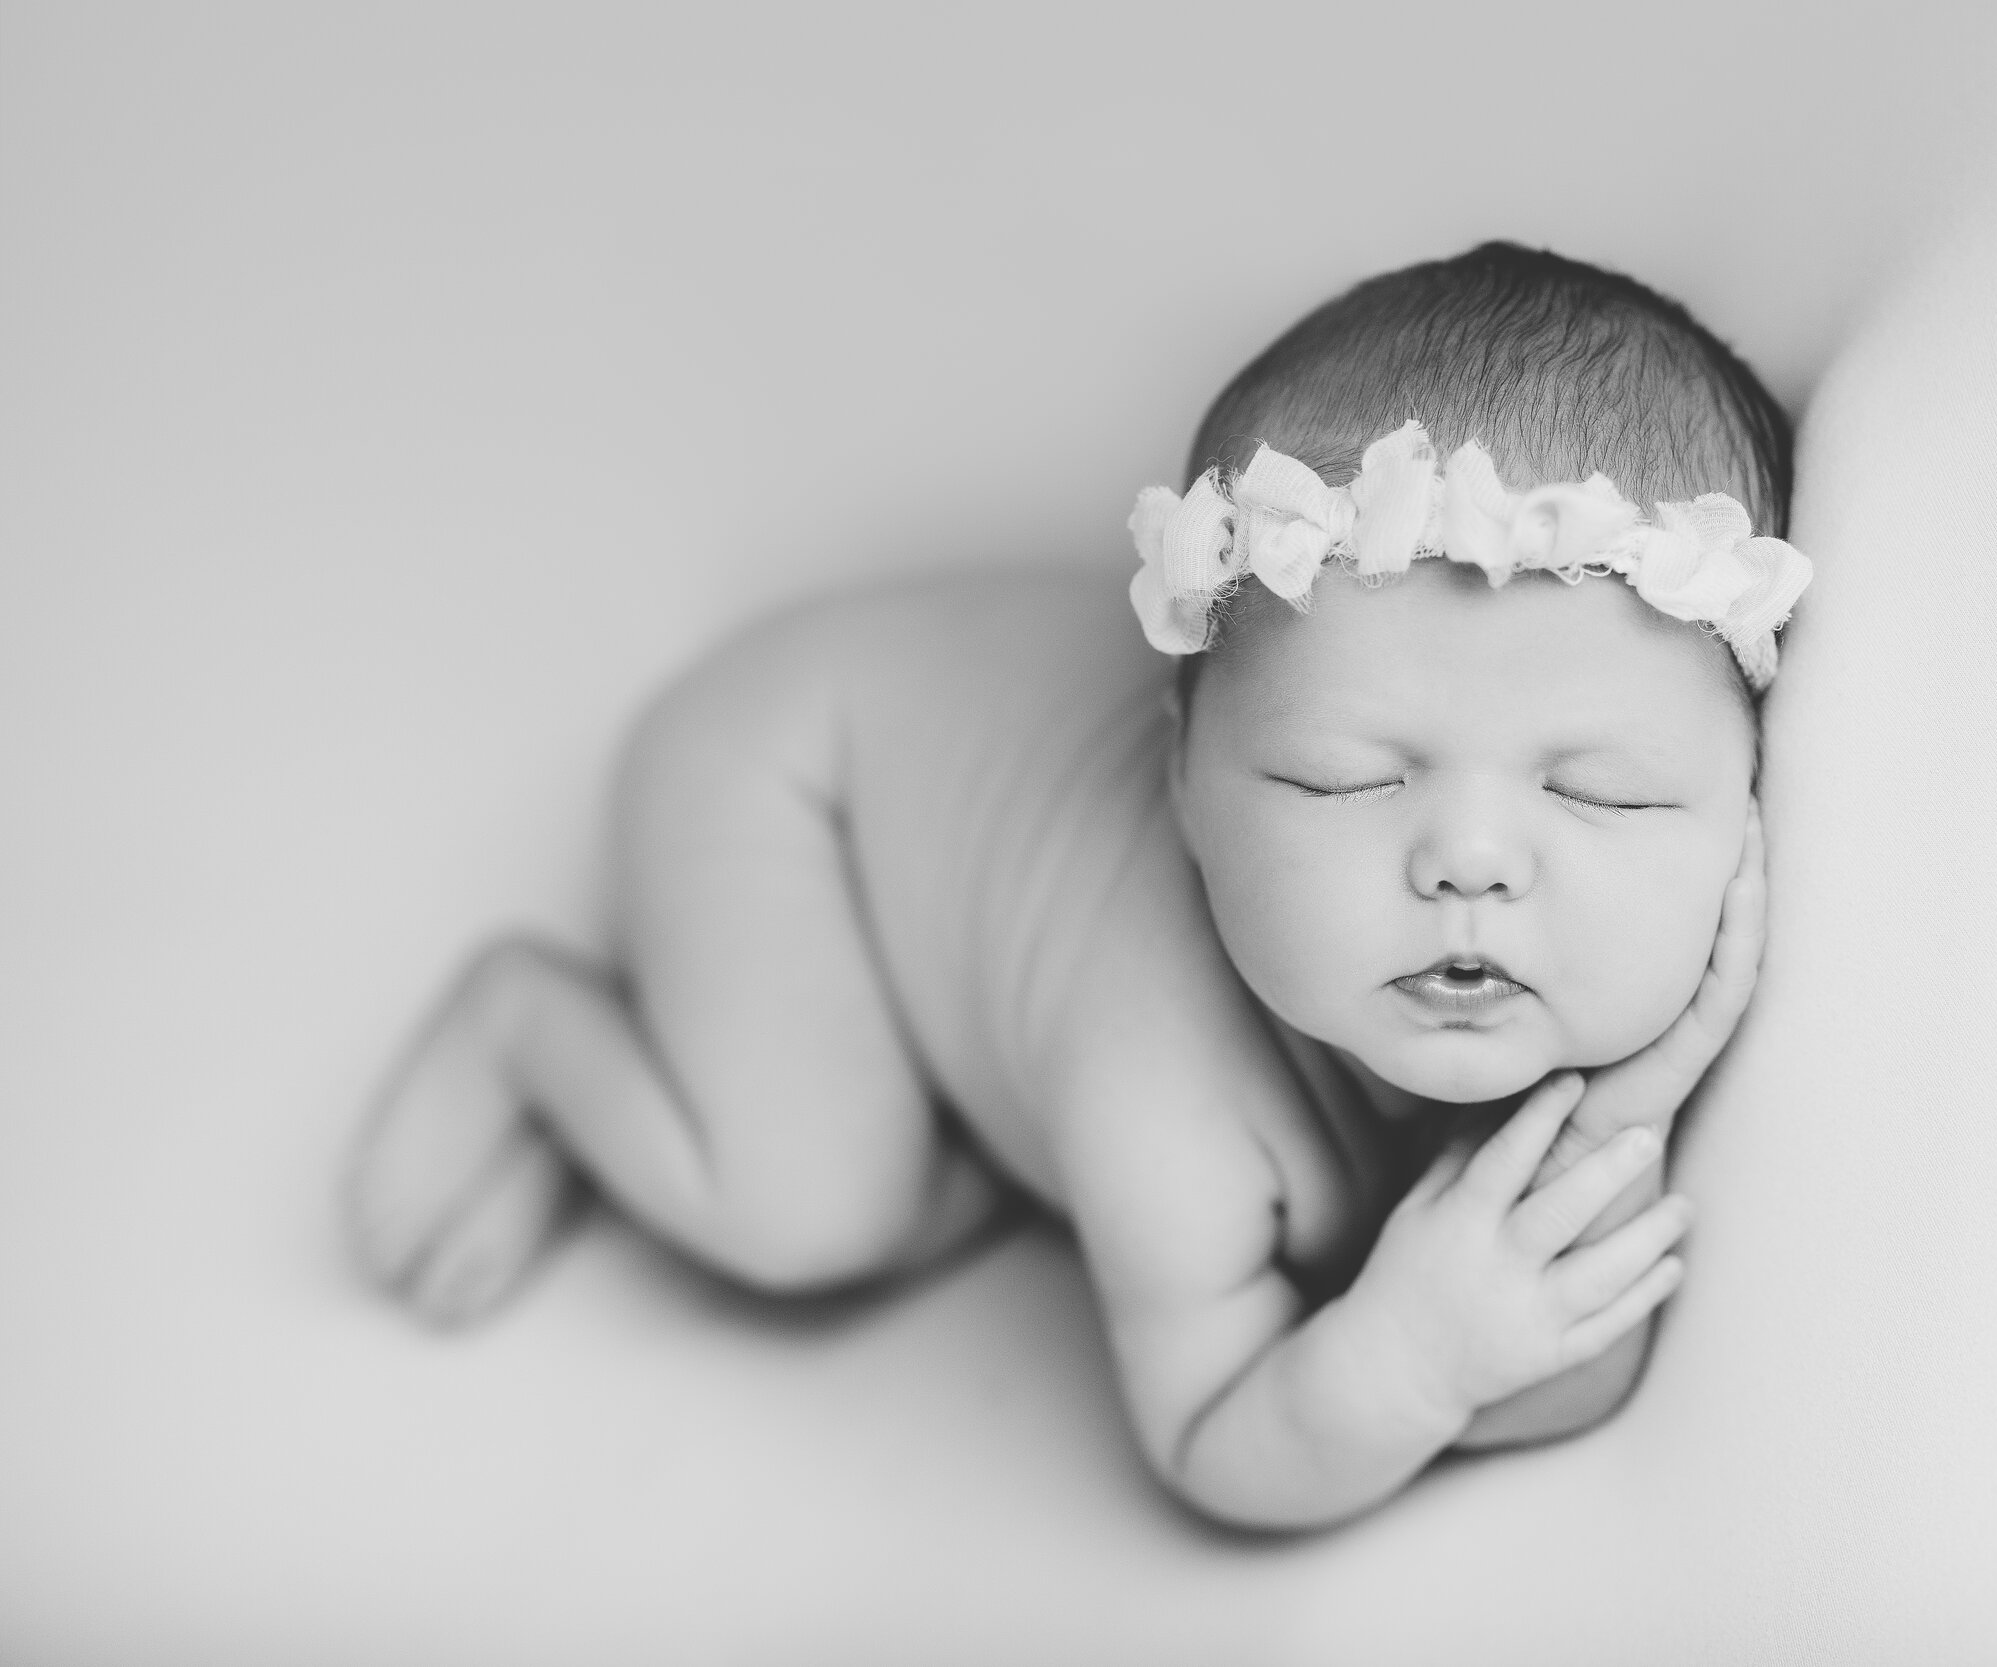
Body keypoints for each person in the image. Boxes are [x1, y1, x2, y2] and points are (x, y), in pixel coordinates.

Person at [344, 242, 1810, 1530]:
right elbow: (1211, 1443)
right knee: (815, 1210)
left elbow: (1572, 1373)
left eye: (1600, 792)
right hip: (801, 781)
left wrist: (1625, 1114)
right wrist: (1409, 1358)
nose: (1472, 863)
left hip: (941, 759)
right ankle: (527, 1027)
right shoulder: (1163, 1085)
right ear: (1182, 775)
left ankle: (936, 1101)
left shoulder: (1482, 916)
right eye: (1344, 779)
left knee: (934, 1180)